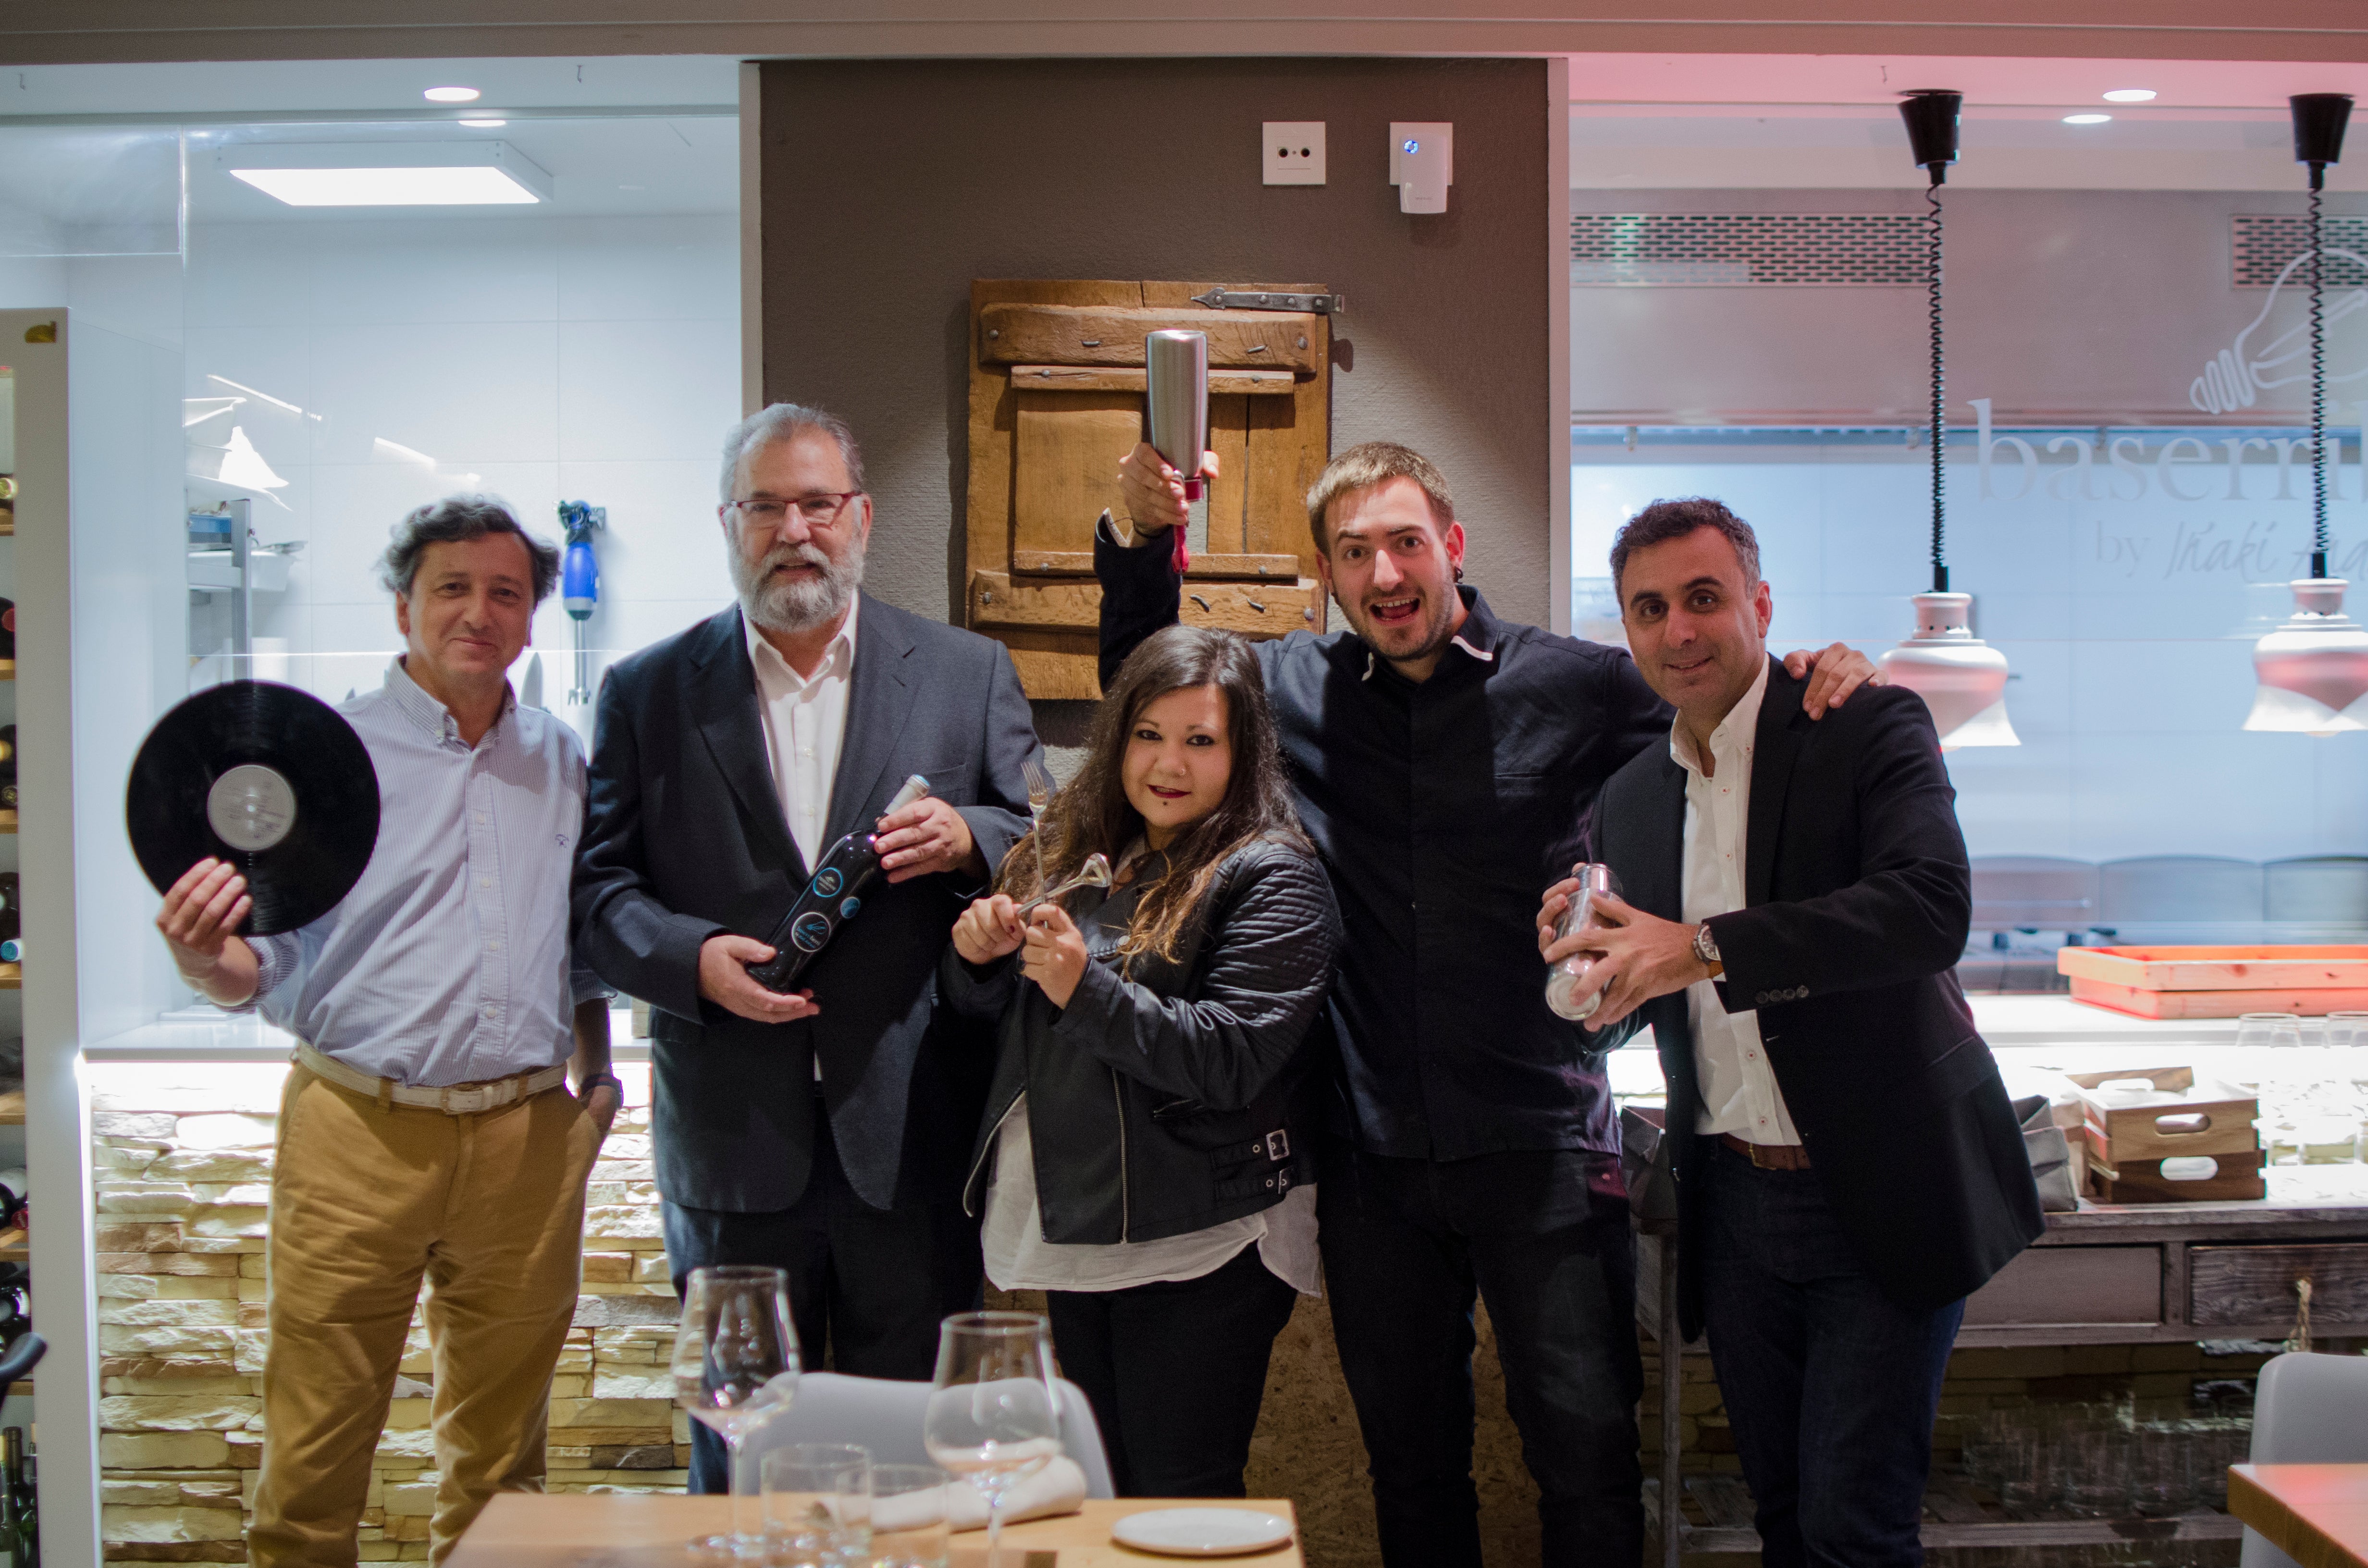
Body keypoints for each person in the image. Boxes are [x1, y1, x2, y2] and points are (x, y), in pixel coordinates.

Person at [1100, 440, 1879, 1568]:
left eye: (1405, 543)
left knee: (1584, 1461)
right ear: (1328, 574)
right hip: (1372, 1166)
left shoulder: (1574, 679)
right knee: (1411, 1470)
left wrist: (1816, 674)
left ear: (1451, 547)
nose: (1384, 574)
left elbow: (1721, 711)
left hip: (1546, 1151)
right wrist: (1140, 542)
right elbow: (1145, 693)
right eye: (1355, 553)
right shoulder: (1291, 692)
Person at [1539, 497, 2043, 1568]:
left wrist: (1703, 948)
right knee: (1778, 1518)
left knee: (1849, 1530)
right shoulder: (1628, 800)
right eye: (1649, 609)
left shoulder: (1863, 721)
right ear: (1625, 632)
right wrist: (1590, 975)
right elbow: (1627, 1011)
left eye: (1705, 599)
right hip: (1734, 1210)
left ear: (1760, 605)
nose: (1679, 631)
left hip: (1877, 1188)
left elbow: (1928, 909)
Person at [571, 402, 1039, 1494]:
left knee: (917, 1463)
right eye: (766, 506)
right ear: (727, 524)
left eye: (818, 503)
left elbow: (1042, 838)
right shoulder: (645, 692)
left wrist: (974, 834)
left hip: (914, 1139)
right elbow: (598, 896)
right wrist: (690, 962)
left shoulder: (967, 673)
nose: (796, 529)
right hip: (733, 1147)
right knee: (738, 1460)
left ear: (861, 517)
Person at [154, 496, 619, 1568]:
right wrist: (196, 955)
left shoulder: (560, 758)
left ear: (534, 614)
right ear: (401, 604)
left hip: (525, 1140)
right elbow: (260, 963)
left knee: (505, 1478)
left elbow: (582, 941)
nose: (479, 612)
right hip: (356, 1133)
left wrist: (594, 1094)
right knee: (314, 1466)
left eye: (506, 592)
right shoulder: (321, 761)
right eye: (452, 587)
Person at [940, 625, 1342, 1498]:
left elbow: (1234, 1056)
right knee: (1102, 1489)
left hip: (1205, 1238)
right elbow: (1004, 1027)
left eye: (1201, 740)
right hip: (1082, 1219)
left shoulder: (1274, 874)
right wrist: (975, 958)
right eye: (1150, 735)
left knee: (1183, 1490)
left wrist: (1084, 990)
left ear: (1245, 752)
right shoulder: (1072, 852)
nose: (1170, 763)